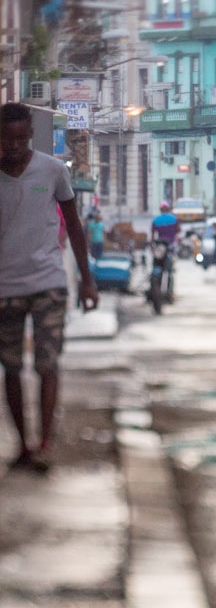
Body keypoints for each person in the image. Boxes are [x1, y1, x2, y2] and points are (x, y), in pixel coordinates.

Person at [0, 102, 99, 473]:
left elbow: (73, 226)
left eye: (20, 138)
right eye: (5, 139)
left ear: (29, 135)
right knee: (11, 368)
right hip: (4, 287)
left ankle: (44, 444)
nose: (13, 146)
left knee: (47, 364)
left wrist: (87, 282)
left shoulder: (53, 170)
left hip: (48, 283)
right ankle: (23, 445)